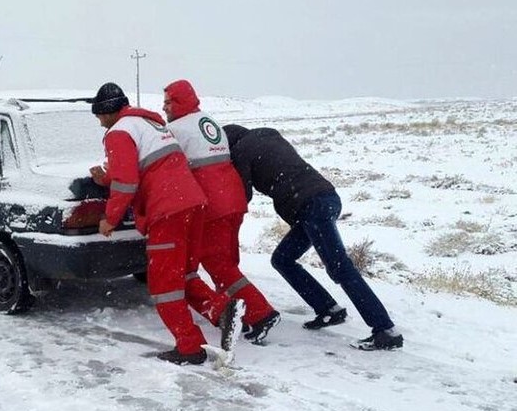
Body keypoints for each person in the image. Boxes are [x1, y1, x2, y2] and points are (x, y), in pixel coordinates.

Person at [89, 82, 236, 365]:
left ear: (107, 112)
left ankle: (190, 347)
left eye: (98, 115)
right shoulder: (149, 124)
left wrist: (110, 219)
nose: (98, 122)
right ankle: (222, 310)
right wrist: (104, 179)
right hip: (193, 203)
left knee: (163, 284)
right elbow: (145, 168)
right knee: (183, 275)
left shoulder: (118, 132)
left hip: (167, 211)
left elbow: (127, 182)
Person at [224, 124, 403, 350]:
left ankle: (385, 330)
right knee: (283, 259)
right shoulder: (268, 134)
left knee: (340, 267)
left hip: (310, 206)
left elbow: (243, 194)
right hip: (326, 198)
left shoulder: (241, 150)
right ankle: (328, 309)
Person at [163, 79, 280, 344]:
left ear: (180, 101)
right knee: (227, 260)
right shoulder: (208, 121)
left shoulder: (177, 129)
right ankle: (238, 311)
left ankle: (261, 314)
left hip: (212, 204)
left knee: (218, 264)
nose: (164, 106)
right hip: (233, 197)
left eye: (169, 101)